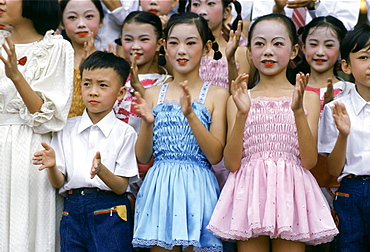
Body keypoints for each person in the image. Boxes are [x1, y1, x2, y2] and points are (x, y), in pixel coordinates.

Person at [206, 13, 338, 252]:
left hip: (292, 192)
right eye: (259, 43)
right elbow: (232, 163)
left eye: (277, 43)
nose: (268, 51)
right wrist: (242, 114)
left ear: (294, 50)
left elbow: (309, 161)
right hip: (249, 192)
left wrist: (297, 111)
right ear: (249, 52)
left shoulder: (307, 97)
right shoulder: (237, 99)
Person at [132, 12, 229, 251]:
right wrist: (146, 122)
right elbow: (142, 157)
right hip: (161, 186)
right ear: (164, 46)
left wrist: (190, 115)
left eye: (191, 42)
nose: (181, 50)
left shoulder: (217, 94)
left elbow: (215, 155)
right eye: (174, 43)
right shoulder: (153, 93)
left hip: (198, 186)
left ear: (206, 47)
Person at [32, 51, 139, 252]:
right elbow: (58, 182)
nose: (93, 91)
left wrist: (101, 171)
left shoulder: (124, 133)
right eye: (87, 83)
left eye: (103, 85)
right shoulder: (66, 128)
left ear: (121, 93)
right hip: (72, 209)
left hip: (110, 209)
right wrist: (52, 166)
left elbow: (120, 187)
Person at [0, 0, 74, 250]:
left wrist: (16, 76)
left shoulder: (57, 47)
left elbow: (47, 116)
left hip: (31, 148)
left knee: (26, 227)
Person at [318, 24, 370, 252]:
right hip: (351, 190)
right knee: (349, 247)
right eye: (364, 57)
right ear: (346, 66)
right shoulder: (335, 109)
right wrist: (343, 135)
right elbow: (333, 168)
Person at [60, 0, 104, 118]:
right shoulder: (55, 59)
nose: (81, 24)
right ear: (61, 23)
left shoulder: (109, 62)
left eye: (89, 16)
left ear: (101, 21)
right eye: (72, 17)